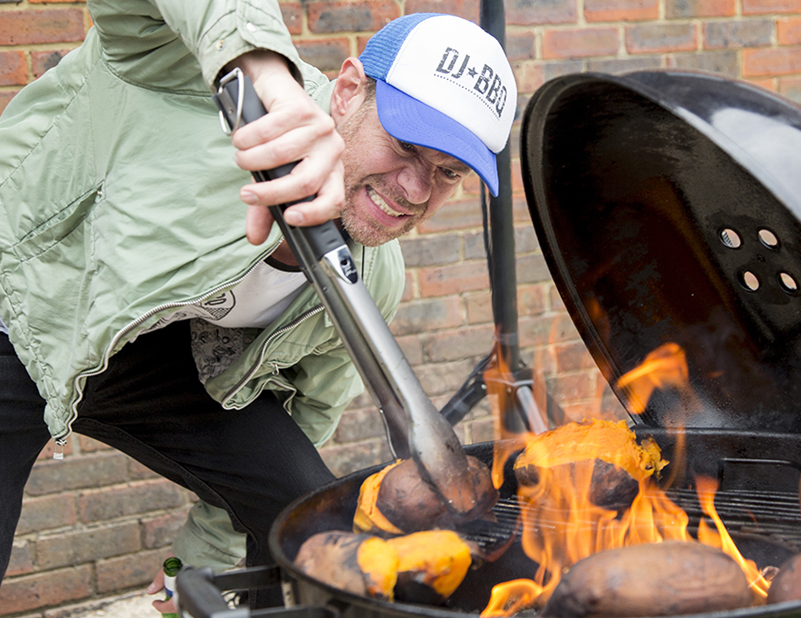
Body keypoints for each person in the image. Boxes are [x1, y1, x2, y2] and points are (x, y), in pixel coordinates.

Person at [0, 0, 516, 610]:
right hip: (28, 304)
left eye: (448, 172)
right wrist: (265, 74)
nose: (414, 190)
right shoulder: (192, 74)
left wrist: (202, 564)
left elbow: (306, 412)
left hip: (166, 372)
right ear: (348, 91)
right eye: (404, 145)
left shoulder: (374, 281)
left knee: (306, 516)